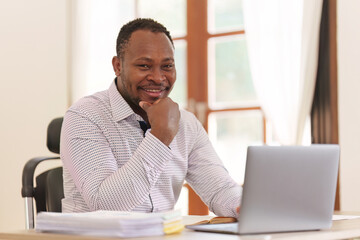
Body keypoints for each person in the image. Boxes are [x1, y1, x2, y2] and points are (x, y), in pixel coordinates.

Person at [60, 18, 242, 217]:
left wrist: (244, 207)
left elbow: (220, 189)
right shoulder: (84, 116)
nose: (158, 77)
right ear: (118, 66)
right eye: (145, 66)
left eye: (167, 66)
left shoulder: (186, 123)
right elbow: (105, 206)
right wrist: (160, 137)